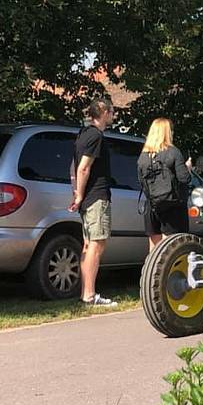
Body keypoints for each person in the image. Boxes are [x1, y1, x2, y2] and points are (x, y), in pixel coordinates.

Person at [68, 97, 118, 307]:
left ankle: (85, 294)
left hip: (88, 198)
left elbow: (73, 167)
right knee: (97, 245)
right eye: (112, 112)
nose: (114, 115)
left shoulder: (81, 135)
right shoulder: (96, 136)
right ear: (104, 112)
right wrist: (79, 195)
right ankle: (90, 295)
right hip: (96, 197)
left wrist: (77, 193)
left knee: (88, 245)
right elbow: (83, 168)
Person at [137, 118, 193, 252]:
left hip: (152, 205)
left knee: (154, 249)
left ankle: (151, 273)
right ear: (167, 132)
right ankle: (169, 274)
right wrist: (188, 168)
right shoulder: (173, 152)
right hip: (172, 206)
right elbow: (184, 178)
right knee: (170, 249)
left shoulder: (143, 157)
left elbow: (141, 182)